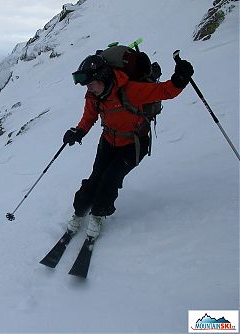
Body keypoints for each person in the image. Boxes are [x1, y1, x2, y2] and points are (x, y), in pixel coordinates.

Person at [62, 53, 194, 240]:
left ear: (103, 77)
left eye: (91, 84)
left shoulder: (130, 90)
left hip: (134, 144)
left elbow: (165, 91)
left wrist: (180, 79)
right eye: (87, 86)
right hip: (108, 140)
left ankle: (98, 215)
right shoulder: (94, 95)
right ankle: (79, 212)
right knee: (95, 177)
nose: (88, 89)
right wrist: (79, 131)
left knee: (110, 179)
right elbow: (89, 117)